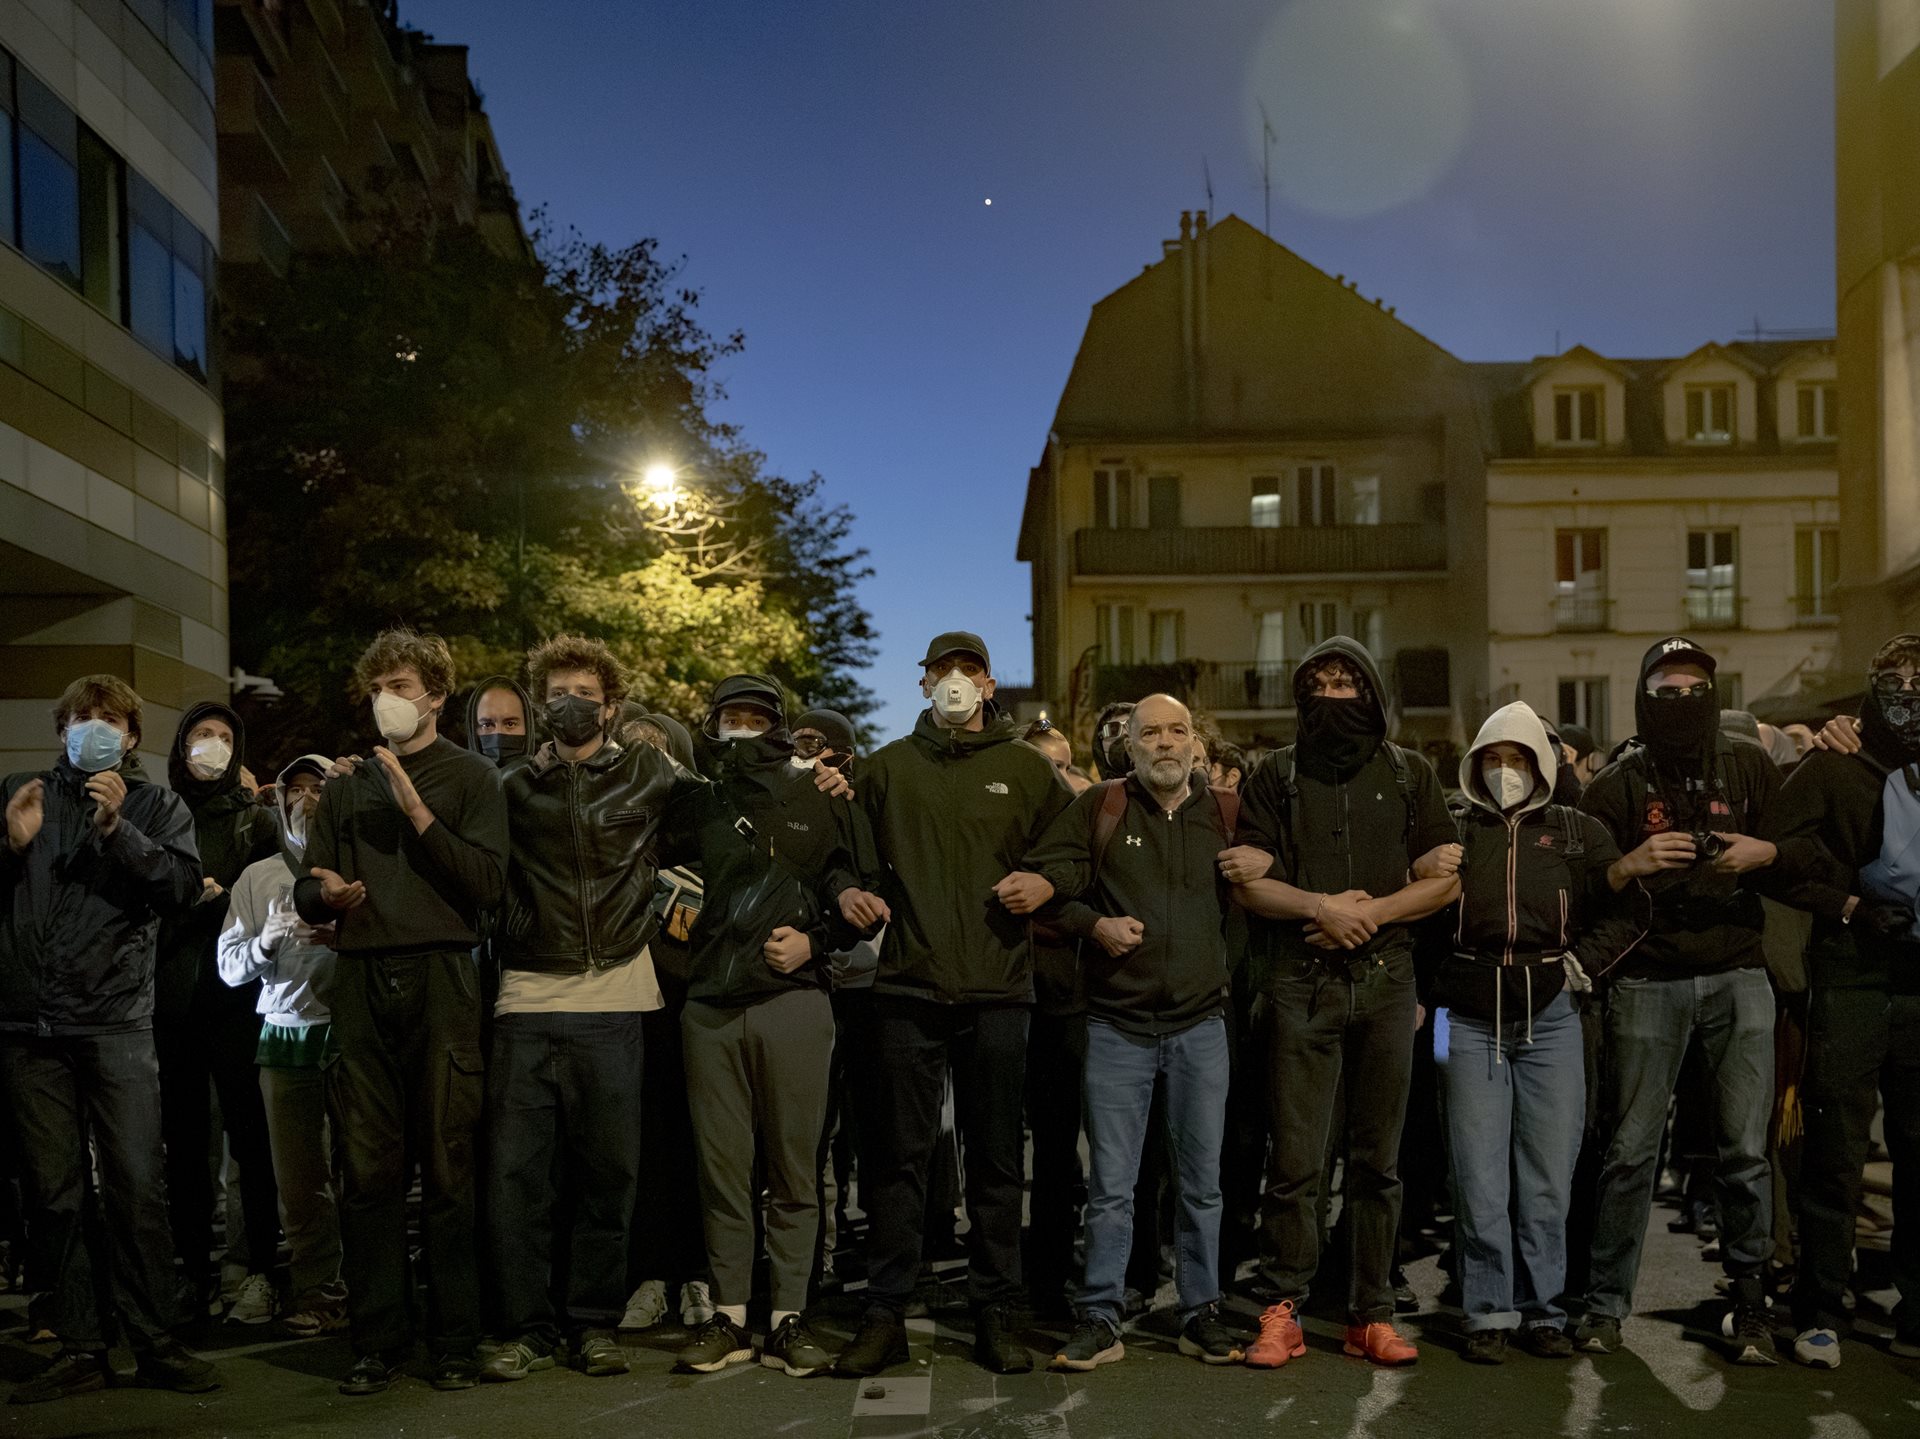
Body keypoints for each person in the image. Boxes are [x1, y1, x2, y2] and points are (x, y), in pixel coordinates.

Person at [831, 632, 1072, 1376]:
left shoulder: (1028, 771)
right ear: (924, 683)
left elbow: (1067, 851)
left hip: (1000, 989)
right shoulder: (885, 770)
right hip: (907, 986)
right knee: (898, 1156)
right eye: (943, 670)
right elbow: (845, 853)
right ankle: (886, 1310)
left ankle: (995, 1307)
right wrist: (847, 889)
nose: (957, 681)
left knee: (996, 1156)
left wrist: (1046, 884)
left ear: (990, 684)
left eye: (969, 670)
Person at [1218, 638, 1458, 1370]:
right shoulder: (1274, 774)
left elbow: (1444, 879)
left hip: (1388, 980)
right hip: (1302, 981)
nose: (1334, 695)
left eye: (1348, 681)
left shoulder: (1410, 772)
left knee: (1378, 1161)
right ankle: (1284, 1306)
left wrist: (1373, 912)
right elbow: (1248, 883)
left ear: (1375, 692)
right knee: (1295, 1159)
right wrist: (1324, 905)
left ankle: (1371, 1310)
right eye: (1319, 683)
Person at [294, 628, 510, 1395]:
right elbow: (309, 885)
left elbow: (486, 882)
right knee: (368, 1171)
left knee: (451, 1167)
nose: (389, 696)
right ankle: (376, 1338)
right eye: (379, 683)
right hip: (361, 977)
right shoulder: (346, 785)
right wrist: (325, 894)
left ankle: (454, 1338)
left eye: (404, 683)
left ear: (437, 697)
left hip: (445, 976)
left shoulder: (472, 778)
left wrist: (416, 807)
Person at [482, 636, 702, 1383]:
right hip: (526, 995)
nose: (569, 702)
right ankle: (525, 1326)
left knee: (609, 1177)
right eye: (557, 691)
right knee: (518, 1180)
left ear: (610, 705)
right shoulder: (513, 786)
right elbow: (481, 870)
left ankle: (592, 1324)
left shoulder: (649, 773)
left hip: (617, 995)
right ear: (543, 705)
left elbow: (720, 819)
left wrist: (817, 782)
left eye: (584, 690)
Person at [0, 675, 220, 1402]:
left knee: (135, 1186)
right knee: (53, 1194)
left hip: (117, 1019)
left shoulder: (157, 803)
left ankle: (156, 1341)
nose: (92, 727)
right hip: (30, 1026)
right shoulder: (21, 791)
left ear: (130, 737)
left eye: (109, 719)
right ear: (61, 727)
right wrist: (10, 842)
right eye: (80, 717)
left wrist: (118, 831)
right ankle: (80, 1343)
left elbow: (181, 890)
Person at [1569, 637, 1784, 1365]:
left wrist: (1763, 851)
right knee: (1629, 1149)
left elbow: (1795, 852)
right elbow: (1579, 888)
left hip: (1740, 971)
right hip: (1647, 980)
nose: (1683, 700)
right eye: (1666, 688)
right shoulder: (1617, 785)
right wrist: (1630, 865)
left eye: (1696, 687)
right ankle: (1603, 1303)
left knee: (1745, 1148)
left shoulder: (1749, 763)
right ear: (1641, 694)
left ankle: (1751, 1296)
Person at [1027, 694, 1245, 1369]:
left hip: (1201, 1024)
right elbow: (1050, 883)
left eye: (1178, 730)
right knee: (1112, 1187)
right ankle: (1100, 1315)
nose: (1165, 743)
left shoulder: (1227, 813)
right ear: (1130, 745)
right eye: (1150, 732)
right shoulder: (1100, 807)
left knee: (1201, 1183)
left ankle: (1200, 1310)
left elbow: (1265, 890)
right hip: (1118, 1026)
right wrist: (1095, 925)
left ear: (1193, 741)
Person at [667, 676, 867, 1378]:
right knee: (722, 1172)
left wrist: (816, 939)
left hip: (794, 1002)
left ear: (779, 725)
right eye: (732, 717)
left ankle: (787, 1317)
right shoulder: (692, 801)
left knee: (794, 1169)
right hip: (710, 1009)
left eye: (758, 717)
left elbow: (857, 885)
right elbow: (647, 882)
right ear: (713, 724)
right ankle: (728, 1318)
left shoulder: (821, 794)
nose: (745, 728)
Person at [1431, 703, 1633, 1364]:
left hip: (1552, 1020)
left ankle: (1545, 1307)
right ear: (1475, 762)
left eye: (1519, 758)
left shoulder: (1579, 832)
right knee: (1479, 1175)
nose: (1506, 770)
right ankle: (1488, 1308)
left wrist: (1582, 965)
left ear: (1542, 762)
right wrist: (1436, 998)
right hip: (1467, 1020)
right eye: (1494, 757)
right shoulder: (1451, 828)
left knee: (1547, 1176)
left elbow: (1628, 906)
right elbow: (1419, 917)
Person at [1770, 635, 1920, 1367]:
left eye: (1919, 678)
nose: (1908, 690)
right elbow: (1772, 856)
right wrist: (1848, 906)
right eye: (1894, 678)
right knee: (1835, 1149)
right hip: (1853, 975)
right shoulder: (1836, 760)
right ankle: (1822, 1307)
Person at [154, 702, 282, 1326]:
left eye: (225, 737)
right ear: (181, 747)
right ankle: (193, 1274)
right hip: (175, 1001)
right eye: (202, 735)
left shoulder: (254, 821)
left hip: (241, 1002)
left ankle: (258, 1268)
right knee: (184, 1145)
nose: (213, 745)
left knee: (250, 1138)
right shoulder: (158, 813)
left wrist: (224, 899)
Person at [216, 755, 348, 1339]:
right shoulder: (258, 877)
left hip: (356, 1032)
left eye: (318, 787)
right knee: (301, 1181)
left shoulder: (363, 861)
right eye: (294, 789)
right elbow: (228, 968)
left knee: (370, 1174)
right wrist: (266, 940)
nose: (306, 799)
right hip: (287, 1034)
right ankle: (319, 1291)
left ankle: (372, 1289)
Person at [466, 676, 536, 766]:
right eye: (487, 725)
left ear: (527, 727)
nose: (498, 734)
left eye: (510, 724)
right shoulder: (453, 779)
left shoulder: (549, 778)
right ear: (473, 729)